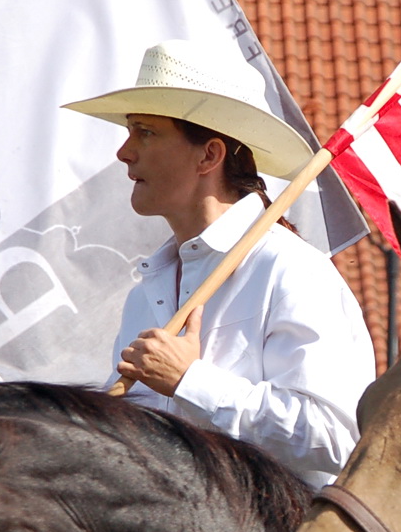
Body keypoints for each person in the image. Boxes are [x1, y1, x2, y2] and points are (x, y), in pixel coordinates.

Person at [64, 41, 373, 488]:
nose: (124, 152)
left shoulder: (292, 271)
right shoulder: (143, 295)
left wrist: (191, 381)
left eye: (145, 132)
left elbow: (338, 439)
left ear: (209, 155)